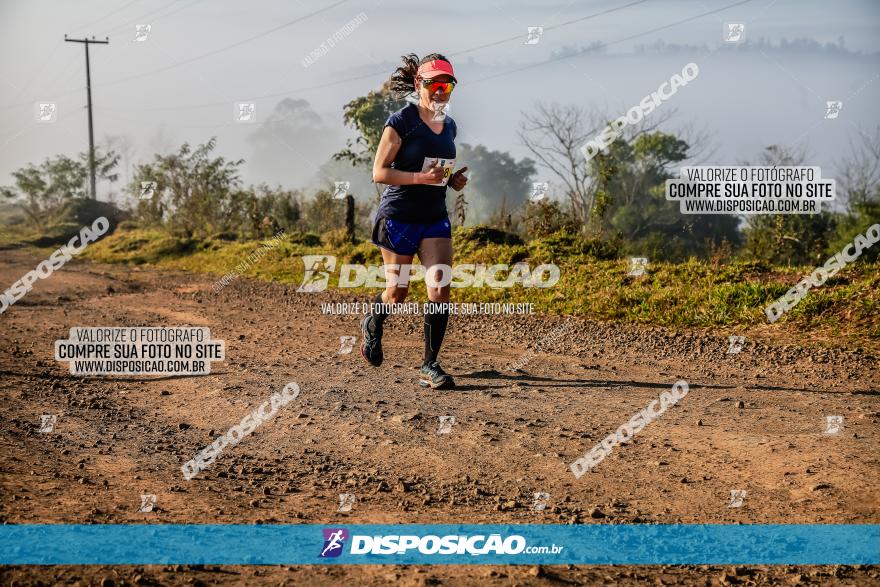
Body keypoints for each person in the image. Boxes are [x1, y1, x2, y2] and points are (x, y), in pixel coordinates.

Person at [360, 52, 468, 390]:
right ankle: (373, 323)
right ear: (420, 84)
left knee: (440, 287)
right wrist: (420, 179)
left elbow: (437, 169)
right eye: (434, 84)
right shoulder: (400, 121)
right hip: (399, 216)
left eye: (447, 84)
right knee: (398, 291)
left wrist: (451, 181)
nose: (440, 91)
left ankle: (429, 365)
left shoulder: (449, 125)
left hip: (434, 216)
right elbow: (379, 173)